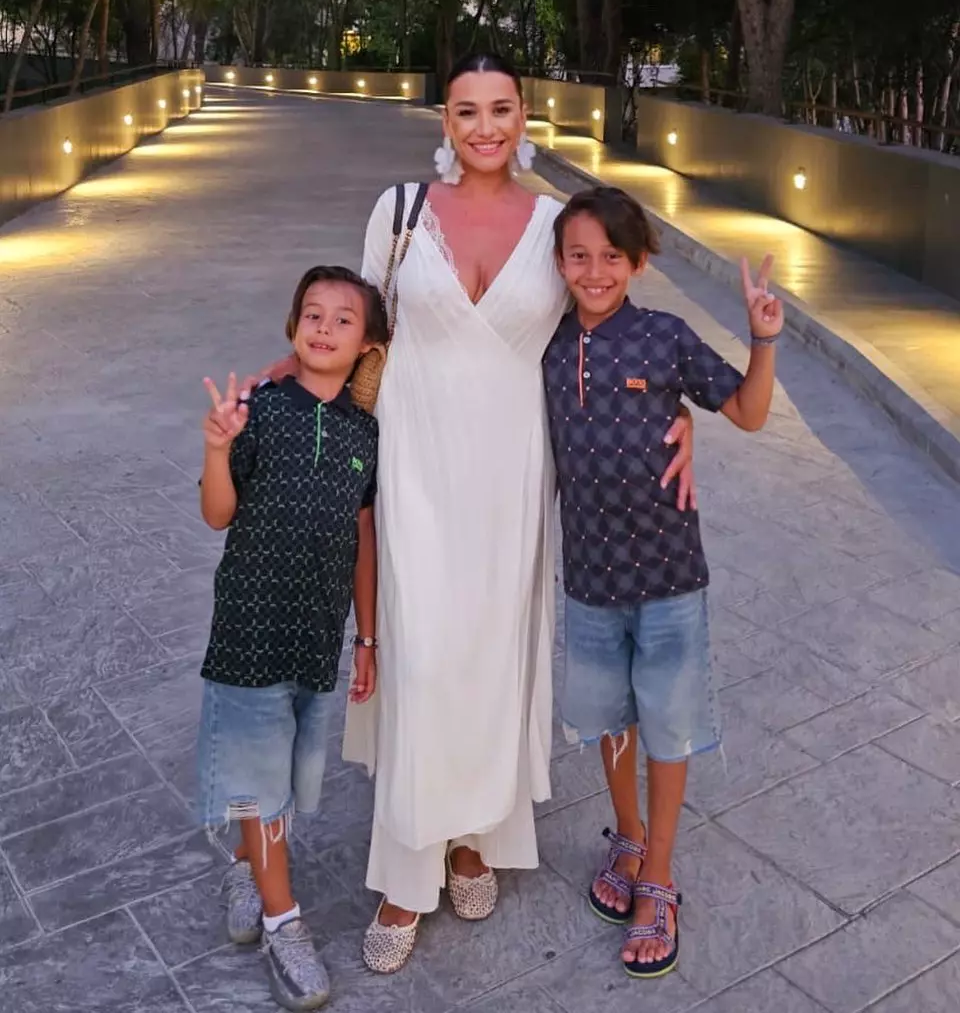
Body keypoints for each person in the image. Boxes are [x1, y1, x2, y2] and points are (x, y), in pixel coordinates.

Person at [248, 53, 695, 974]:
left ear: (523, 116)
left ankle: (473, 839)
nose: (484, 127)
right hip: (414, 458)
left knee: (493, 657)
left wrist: (677, 411)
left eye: (500, 109)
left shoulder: (556, 223)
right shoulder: (400, 210)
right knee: (423, 657)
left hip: (515, 469)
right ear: (445, 121)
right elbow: (356, 326)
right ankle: (407, 871)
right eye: (465, 111)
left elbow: (608, 320)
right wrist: (280, 381)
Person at [543, 186, 783, 979]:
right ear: (558, 263)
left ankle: (660, 872)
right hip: (590, 576)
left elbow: (747, 410)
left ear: (639, 261)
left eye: (612, 256)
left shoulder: (664, 337)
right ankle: (628, 835)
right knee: (610, 718)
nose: (595, 271)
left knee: (669, 725)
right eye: (579, 256)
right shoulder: (545, 347)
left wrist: (762, 338)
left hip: (669, 573)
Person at [196, 265, 386, 1010]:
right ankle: (284, 921)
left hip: (316, 633)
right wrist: (218, 448)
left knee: (282, 773)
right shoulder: (261, 409)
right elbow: (218, 514)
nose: (324, 328)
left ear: (367, 344)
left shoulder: (364, 433)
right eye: (313, 313)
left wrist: (366, 638)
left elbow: (363, 538)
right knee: (260, 774)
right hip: (249, 625)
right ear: (292, 327)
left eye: (344, 319)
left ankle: (246, 868)